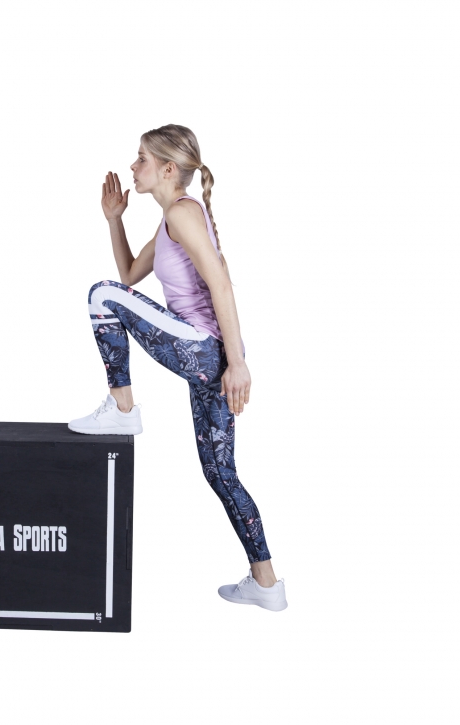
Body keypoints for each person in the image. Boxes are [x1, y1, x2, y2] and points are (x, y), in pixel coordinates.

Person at [68, 124, 288, 612]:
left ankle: (122, 407)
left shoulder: (183, 214)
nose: (133, 167)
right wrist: (114, 220)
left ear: (168, 169)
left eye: (141, 158)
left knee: (101, 295)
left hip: (206, 350)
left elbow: (221, 284)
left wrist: (238, 364)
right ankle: (266, 582)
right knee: (220, 473)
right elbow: (131, 275)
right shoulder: (171, 220)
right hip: (208, 358)